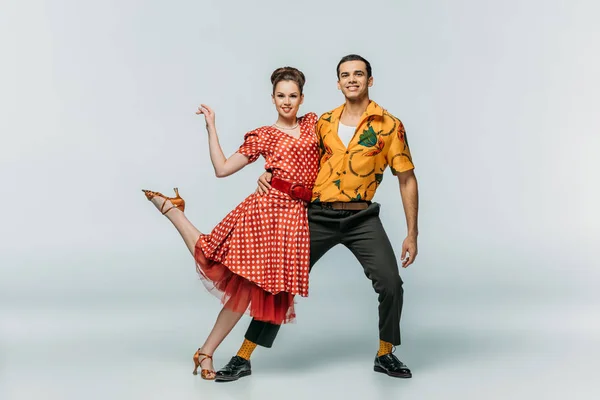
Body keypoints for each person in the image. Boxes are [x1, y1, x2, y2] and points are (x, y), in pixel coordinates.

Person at [215, 54, 419, 381]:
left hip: (361, 218)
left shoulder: (390, 126)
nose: (351, 79)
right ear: (338, 83)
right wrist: (270, 176)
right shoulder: (321, 123)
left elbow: (407, 178)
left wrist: (412, 232)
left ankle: (385, 353)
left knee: (391, 282)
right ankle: (243, 357)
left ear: (370, 80)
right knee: (279, 285)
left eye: (358, 74)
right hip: (318, 216)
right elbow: (295, 155)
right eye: (345, 75)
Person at [142, 67, 319, 380]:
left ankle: (205, 351)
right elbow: (222, 169)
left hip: (294, 221)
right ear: (273, 98)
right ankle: (173, 212)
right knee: (230, 275)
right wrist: (211, 127)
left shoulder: (314, 125)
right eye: (281, 95)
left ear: (302, 98)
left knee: (247, 292)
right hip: (264, 215)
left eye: (293, 96)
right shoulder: (264, 134)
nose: (287, 102)